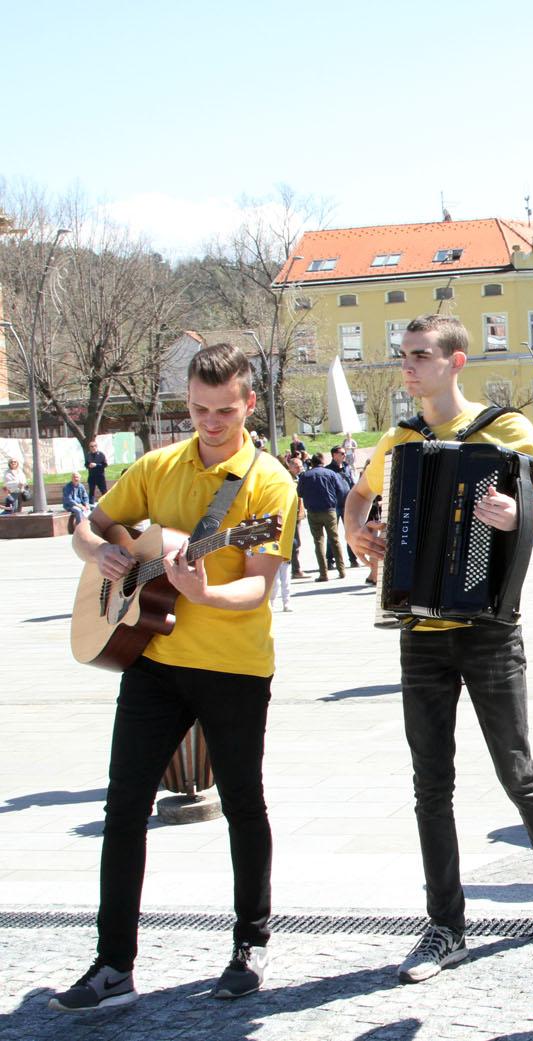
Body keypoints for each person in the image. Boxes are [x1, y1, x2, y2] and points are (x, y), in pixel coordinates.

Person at [342, 314, 533, 984]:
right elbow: (359, 497)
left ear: (457, 361)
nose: (408, 367)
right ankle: (445, 925)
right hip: (419, 632)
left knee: (516, 768)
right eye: (405, 355)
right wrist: (357, 534)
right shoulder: (400, 440)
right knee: (431, 785)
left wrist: (520, 514)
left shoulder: (503, 430)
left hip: (486, 628)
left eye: (420, 355)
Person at [50, 343, 297, 1012]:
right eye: (197, 409)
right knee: (123, 805)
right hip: (153, 663)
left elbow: (257, 587)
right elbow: (90, 525)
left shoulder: (270, 483)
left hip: (233, 667)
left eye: (223, 410)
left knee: (244, 803)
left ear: (248, 403)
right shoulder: (158, 466)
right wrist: (101, 550)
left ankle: (251, 943)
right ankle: (112, 964)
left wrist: (204, 592)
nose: (210, 422)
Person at [296, 453, 348, 583]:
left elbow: (299, 493)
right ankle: (341, 571)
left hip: (313, 512)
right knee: (335, 540)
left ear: (312, 463)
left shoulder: (305, 476)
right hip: (329, 510)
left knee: (318, 541)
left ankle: (323, 573)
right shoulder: (330, 473)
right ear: (322, 462)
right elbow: (341, 490)